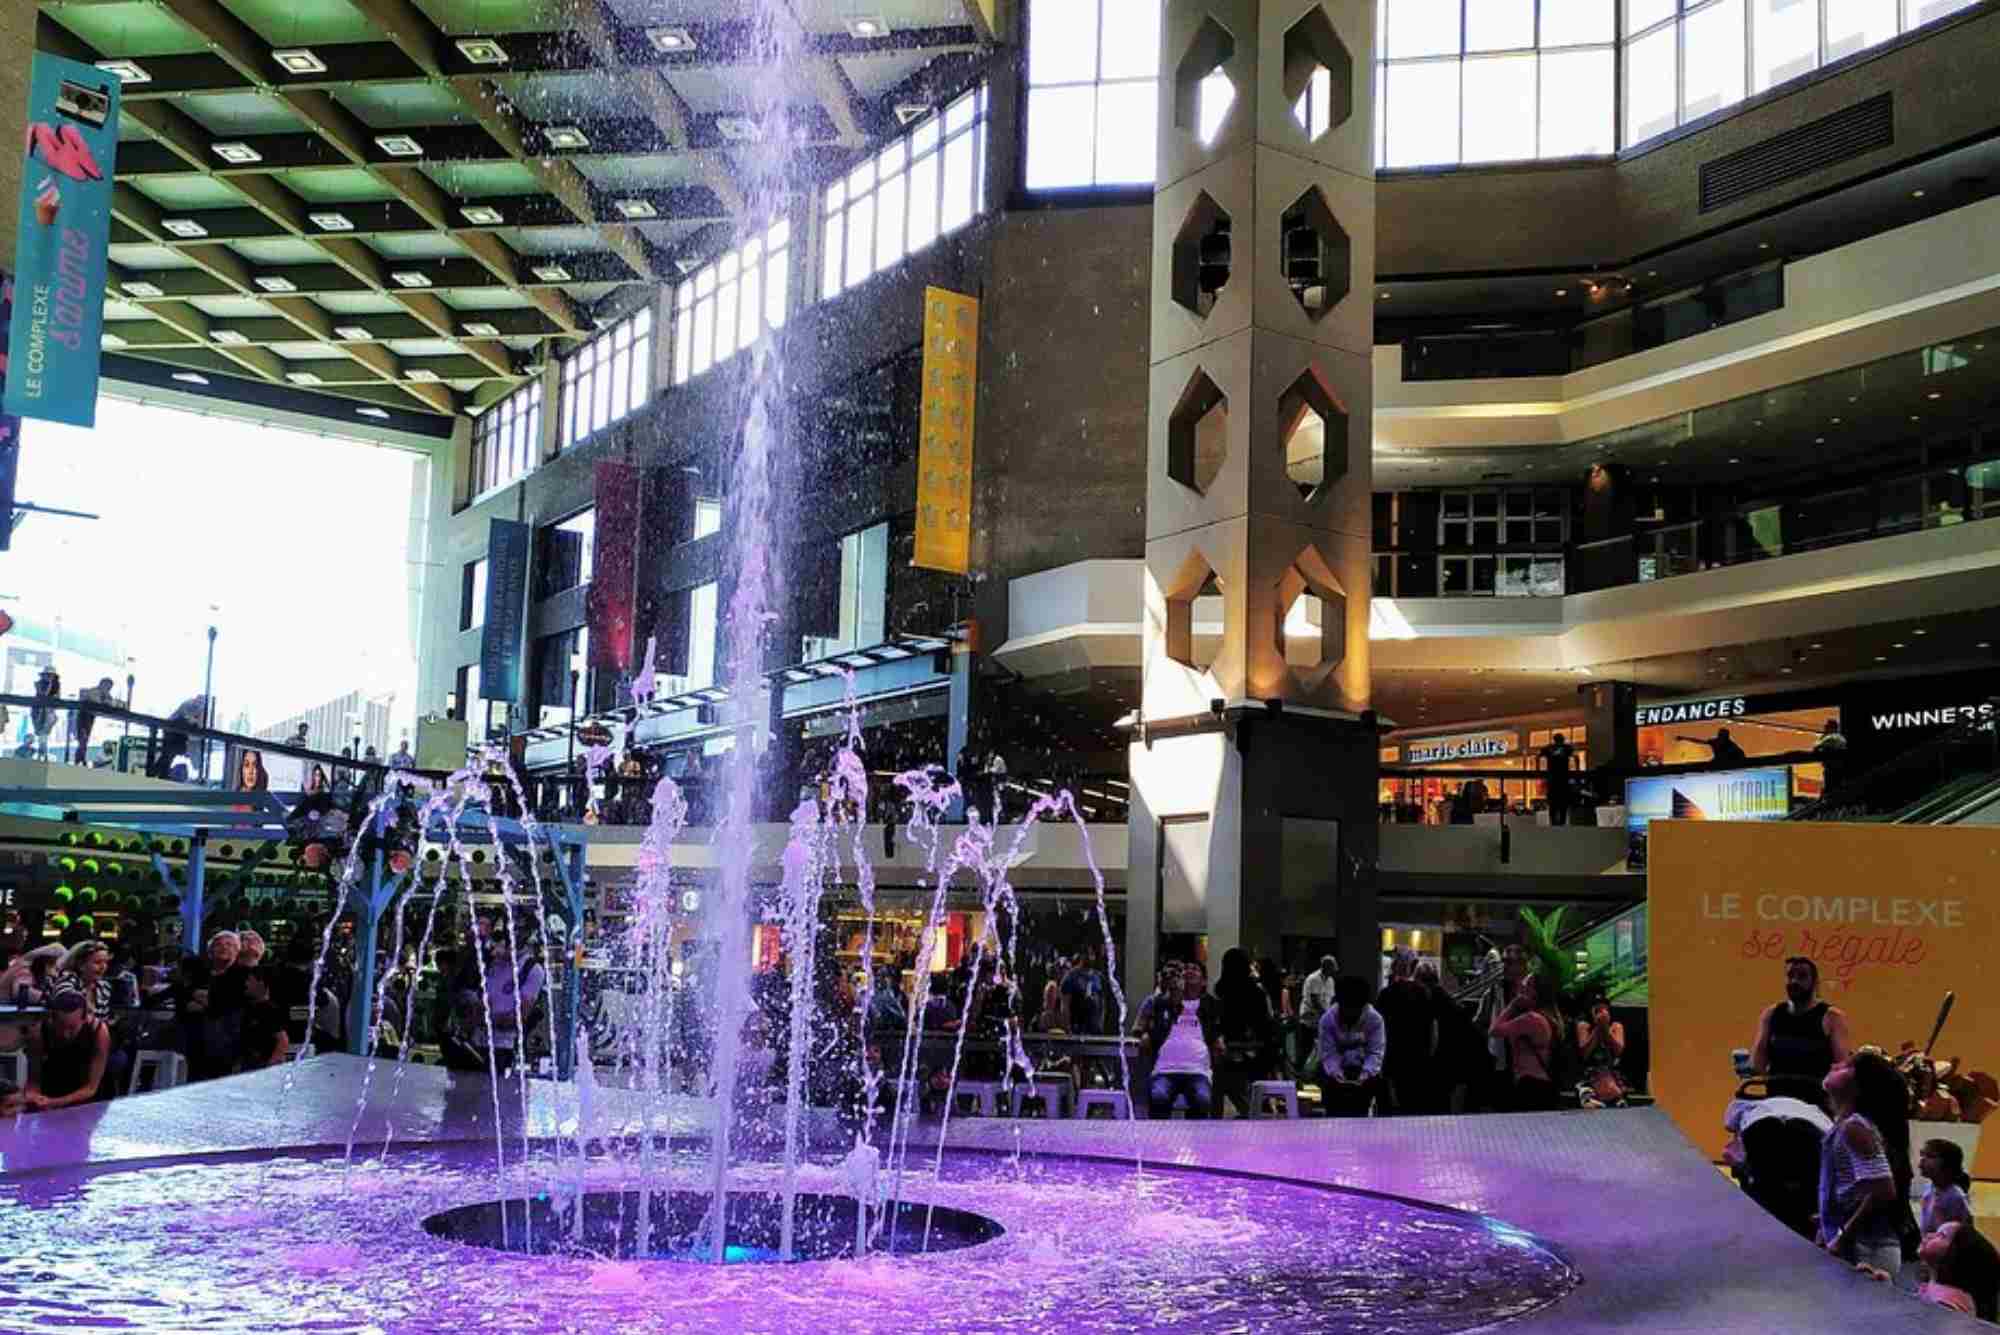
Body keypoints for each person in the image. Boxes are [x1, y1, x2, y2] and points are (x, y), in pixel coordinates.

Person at [1817, 1055, 1906, 1283]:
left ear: (1858, 1086)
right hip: (1858, 1241)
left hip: (1868, 1249)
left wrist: (1843, 1236)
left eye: (1847, 1066)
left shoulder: (1854, 1128)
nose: (1834, 1064)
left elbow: (1883, 1190)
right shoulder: (1844, 1124)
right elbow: (1853, 1187)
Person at [1752, 957, 1850, 1098]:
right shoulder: (1771, 1014)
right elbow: (1758, 1065)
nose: (1794, 981)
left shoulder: (1832, 1017)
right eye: (1790, 976)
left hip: (1816, 1102)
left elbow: (1841, 1069)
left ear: (1814, 982)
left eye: (1802, 976)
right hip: (1776, 1100)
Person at [1144, 961, 1221, 1119]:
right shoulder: (1162, 1002)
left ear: (1204, 981)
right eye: (1186, 968)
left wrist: (1219, 1039)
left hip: (1198, 1072)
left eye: (1195, 969)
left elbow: (1218, 1032)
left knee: (1202, 1099)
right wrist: (1145, 1034)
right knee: (1158, 1096)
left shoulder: (1211, 1005)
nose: (1189, 971)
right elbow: (1149, 1028)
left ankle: (1195, 1141)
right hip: (1165, 1071)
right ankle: (1156, 1140)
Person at [1213, 947, 1277, 1117]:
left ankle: (1221, 1117)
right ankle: (1250, 1111)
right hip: (1255, 1051)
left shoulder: (1220, 991)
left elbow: (1221, 1026)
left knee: (1220, 1078)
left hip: (1235, 1050)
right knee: (1227, 1077)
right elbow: (1265, 1026)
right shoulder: (1257, 992)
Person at [18, 992, 111, 1110]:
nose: (65, 1034)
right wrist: (32, 1095)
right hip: (51, 1089)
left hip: (86, 1097)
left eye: (72, 1029)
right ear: (52, 1019)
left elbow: (92, 1087)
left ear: (84, 1020)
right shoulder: (39, 1033)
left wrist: (56, 1102)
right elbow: (34, 1080)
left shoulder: (99, 1032)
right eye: (60, 1027)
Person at [1375, 947, 1435, 1115]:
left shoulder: (1385, 994)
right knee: (1414, 1108)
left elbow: (1378, 1032)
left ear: (1395, 966)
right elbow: (1431, 1029)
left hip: (1392, 1059)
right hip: (1418, 1059)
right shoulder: (1423, 992)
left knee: (1391, 1110)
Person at [1489, 972, 1560, 1111]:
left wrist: (1513, 1005)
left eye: (1526, 987)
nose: (1521, 991)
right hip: (1543, 1083)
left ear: (1535, 992)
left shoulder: (1531, 1019)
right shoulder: (1549, 1017)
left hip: (1530, 1084)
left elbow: (1494, 1030)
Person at [1317, 976, 1386, 1117]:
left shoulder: (1375, 1020)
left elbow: (1375, 1052)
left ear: (1363, 1006)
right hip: (1335, 1076)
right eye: (1346, 1008)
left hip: (1363, 1073)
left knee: (1361, 1112)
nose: (1350, 1013)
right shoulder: (1327, 1019)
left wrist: (1366, 1072)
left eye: (1354, 1009)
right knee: (1334, 1112)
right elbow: (1328, 1053)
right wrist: (1335, 1071)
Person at [480, 933, 545, 1075]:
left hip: (505, 1045)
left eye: (498, 945)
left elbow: (519, 1016)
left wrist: (487, 1019)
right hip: (479, 1041)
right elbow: (485, 1000)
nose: (494, 950)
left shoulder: (531, 969)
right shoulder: (495, 965)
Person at [1917, 1222, 2000, 1320]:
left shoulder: (1949, 1304)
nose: (1929, 1235)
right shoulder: (1938, 1288)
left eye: (1942, 1235)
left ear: (1958, 1255)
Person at [1574, 989, 1627, 1107]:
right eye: (1597, 1010)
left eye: (1604, 1009)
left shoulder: (1616, 1027)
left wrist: (1605, 1029)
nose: (1601, 1012)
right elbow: (1585, 1053)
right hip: (1589, 1078)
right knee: (1591, 1106)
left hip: (1612, 1078)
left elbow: (1618, 1051)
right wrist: (1598, 1028)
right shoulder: (1584, 1026)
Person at [1918, 1138, 1975, 1241]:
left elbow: (1962, 1233)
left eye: (1930, 1156)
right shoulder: (1929, 1188)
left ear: (1948, 1165)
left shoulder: (1955, 1197)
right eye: (1922, 1155)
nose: (1922, 1159)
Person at [236, 967, 290, 1072]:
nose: (246, 984)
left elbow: (283, 1041)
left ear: (261, 983)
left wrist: (269, 1068)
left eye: (250, 981)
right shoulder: (250, 1008)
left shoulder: (270, 1010)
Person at [148, 694, 208, 780]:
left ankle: (160, 774)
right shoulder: (188, 703)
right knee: (169, 753)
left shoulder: (199, 709)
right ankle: (156, 773)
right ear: (195, 699)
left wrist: (198, 719)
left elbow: (197, 726)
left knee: (169, 754)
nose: (200, 704)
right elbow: (188, 719)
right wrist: (196, 720)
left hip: (178, 733)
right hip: (171, 730)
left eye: (202, 703)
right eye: (199, 701)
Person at [52, 939, 114, 1018]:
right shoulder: (68, 979)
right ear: (81, 965)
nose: (103, 967)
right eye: (98, 962)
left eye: (105, 962)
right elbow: (64, 997)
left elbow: (104, 1018)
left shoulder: (104, 987)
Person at [1297, 954, 1338, 1070]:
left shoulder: (1330, 980)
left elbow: (1331, 1000)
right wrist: (1328, 1015)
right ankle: (1298, 1075)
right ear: (1325, 966)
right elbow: (1315, 1001)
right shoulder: (1314, 978)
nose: (1334, 970)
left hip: (1322, 1019)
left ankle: (1317, 1074)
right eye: (1333, 967)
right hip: (1309, 1019)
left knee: (1324, 1047)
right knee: (1306, 1048)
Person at [1060, 948, 1107, 1036]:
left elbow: (1102, 1003)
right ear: (1081, 956)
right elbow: (1065, 1004)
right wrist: (1067, 1028)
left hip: (1094, 1029)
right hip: (1076, 1027)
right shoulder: (1071, 976)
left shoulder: (1098, 976)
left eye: (1092, 954)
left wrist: (1101, 1023)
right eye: (1087, 954)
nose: (1090, 957)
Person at [73, 676, 115, 766]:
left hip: (91, 717)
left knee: (85, 738)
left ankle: (81, 758)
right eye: (107, 686)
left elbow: (111, 702)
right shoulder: (94, 691)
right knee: (83, 738)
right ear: (102, 684)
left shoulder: (106, 695)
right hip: (83, 716)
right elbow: (95, 700)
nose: (108, 689)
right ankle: (79, 759)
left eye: (109, 687)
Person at [1540, 732, 1576, 825]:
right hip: (1564, 777)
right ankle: (1562, 822)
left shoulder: (1548, 748)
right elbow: (1575, 756)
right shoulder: (1567, 748)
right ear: (1562, 739)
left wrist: (1539, 771)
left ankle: (1553, 822)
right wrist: (1576, 770)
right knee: (1563, 802)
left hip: (1552, 777)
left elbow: (1539, 756)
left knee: (1553, 802)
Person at [28, 665, 60, 761]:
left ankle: (43, 754)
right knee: (41, 732)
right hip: (38, 711)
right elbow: (43, 694)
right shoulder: (38, 684)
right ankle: (42, 753)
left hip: (49, 712)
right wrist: (50, 685)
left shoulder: (56, 686)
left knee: (44, 733)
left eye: (51, 675)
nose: (50, 677)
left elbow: (57, 698)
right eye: (48, 675)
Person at [1679, 727, 1747, 766]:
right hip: (1717, 761)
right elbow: (1699, 741)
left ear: (1727, 737)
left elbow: (1741, 754)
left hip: (1727, 763)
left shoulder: (1731, 745)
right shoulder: (1715, 741)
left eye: (1723, 736)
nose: (1721, 738)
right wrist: (1684, 738)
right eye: (1720, 735)